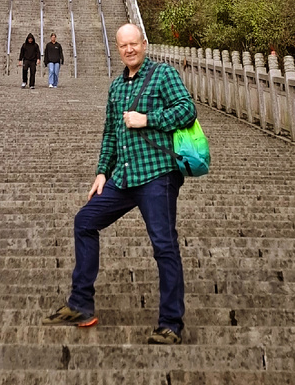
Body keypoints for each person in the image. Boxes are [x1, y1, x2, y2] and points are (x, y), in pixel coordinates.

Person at [44, 24, 196, 344]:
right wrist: (102, 172)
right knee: (85, 221)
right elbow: (111, 133)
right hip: (123, 178)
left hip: (157, 175)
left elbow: (187, 109)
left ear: (144, 43)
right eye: (123, 45)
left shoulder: (163, 75)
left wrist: (148, 119)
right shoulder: (116, 87)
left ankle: (171, 322)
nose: (129, 50)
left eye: (134, 44)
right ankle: (81, 304)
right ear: (118, 48)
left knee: (163, 245)